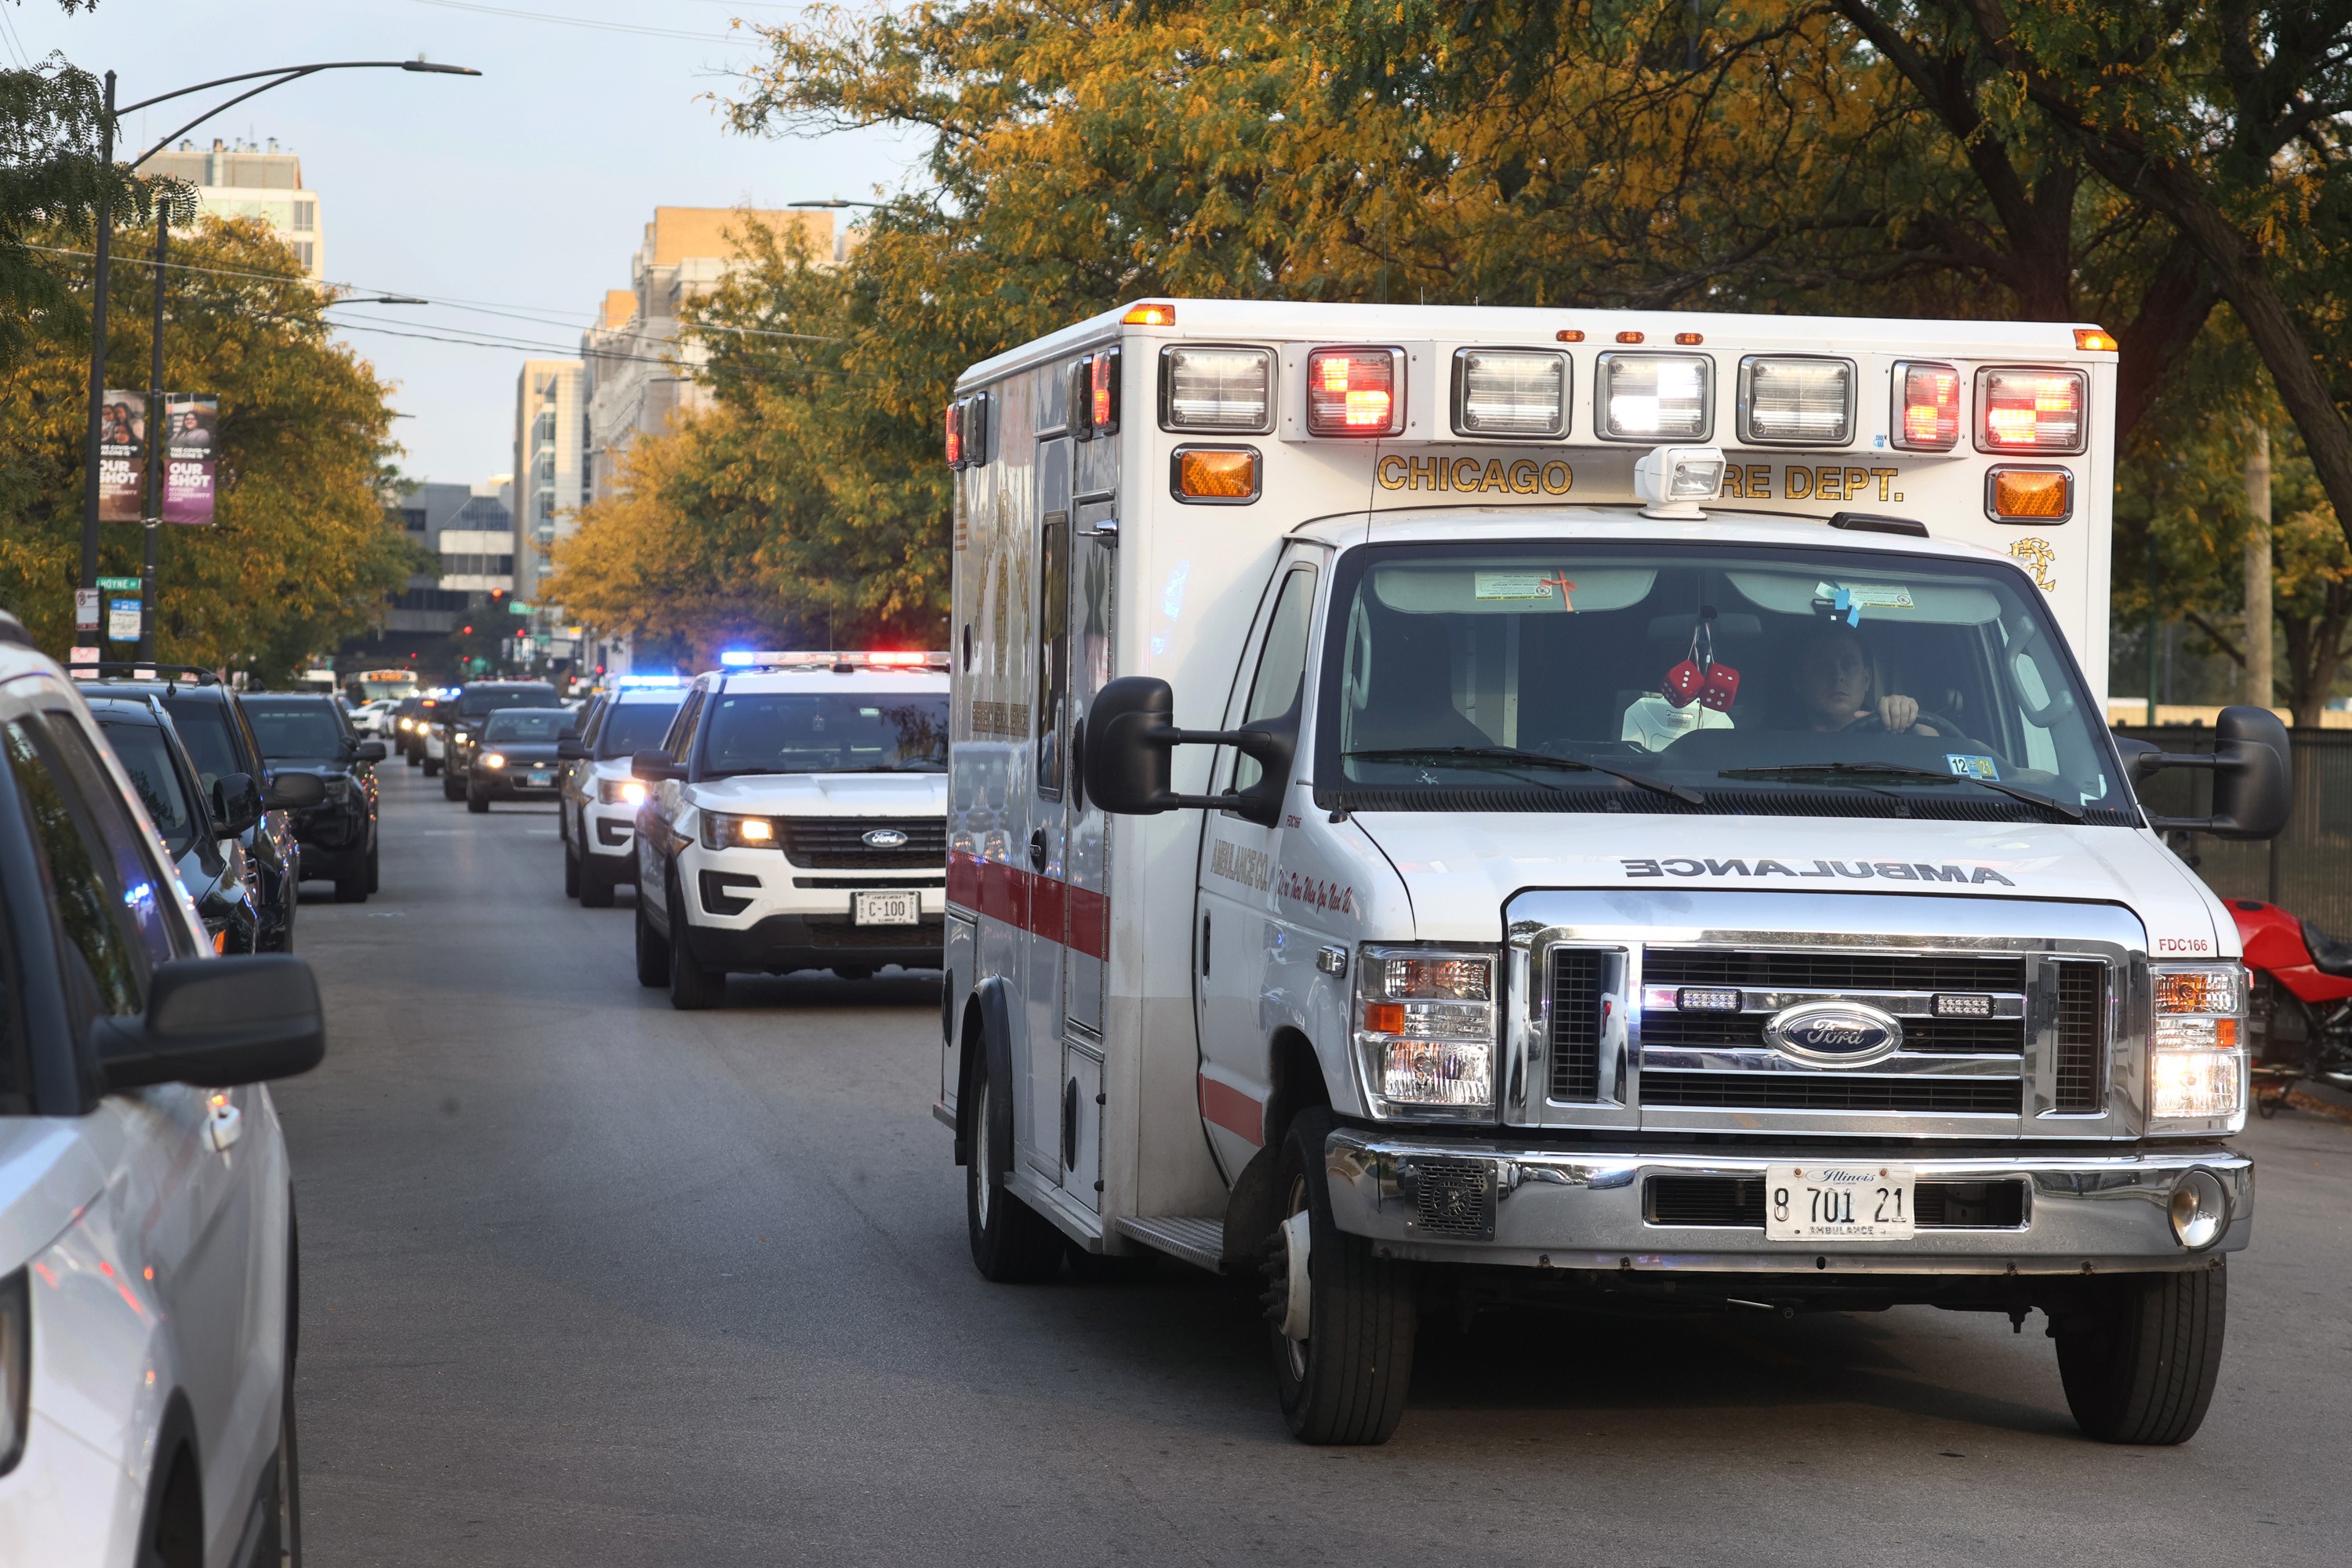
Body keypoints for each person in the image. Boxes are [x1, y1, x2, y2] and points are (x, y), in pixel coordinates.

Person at [1790, 622, 1940, 735]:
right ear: (1798, 682)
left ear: (1867, 679)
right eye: (1822, 667)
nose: (1838, 676)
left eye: (1848, 665)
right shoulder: (1775, 744)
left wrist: (1908, 719)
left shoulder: (1889, 740)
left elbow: (1939, 753)